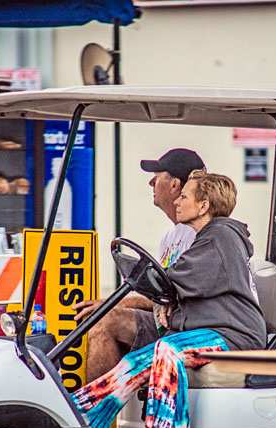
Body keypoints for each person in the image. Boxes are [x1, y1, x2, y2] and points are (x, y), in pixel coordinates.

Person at [72, 171, 265, 428]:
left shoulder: (220, 237)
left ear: (203, 206)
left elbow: (170, 283)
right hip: (208, 330)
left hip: (232, 336)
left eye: (185, 196)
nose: (178, 201)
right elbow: (169, 286)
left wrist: (142, 280)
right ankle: (86, 426)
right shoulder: (207, 238)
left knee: (168, 350)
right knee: (134, 361)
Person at [72, 148, 205, 381]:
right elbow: (160, 294)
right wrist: (110, 304)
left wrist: (109, 306)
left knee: (106, 322)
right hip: (170, 322)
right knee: (103, 318)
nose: (151, 182)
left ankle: (91, 413)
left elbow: (175, 295)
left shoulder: (200, 235)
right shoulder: (171, 237)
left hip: (187, 327)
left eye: (157, 175)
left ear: (174, 185)